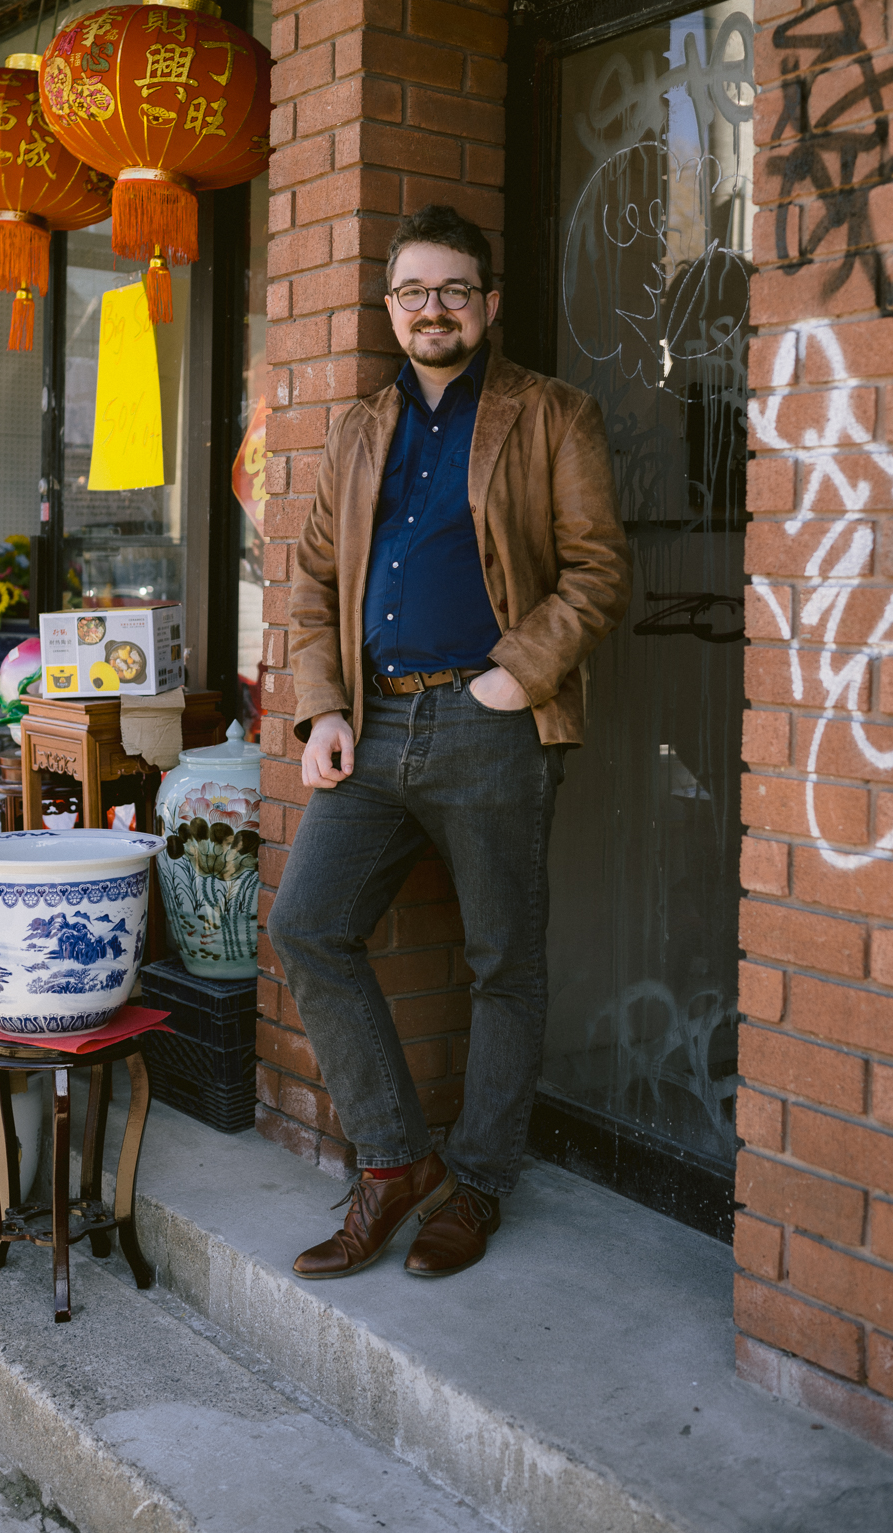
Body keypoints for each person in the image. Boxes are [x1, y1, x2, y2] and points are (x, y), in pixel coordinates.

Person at [268, 203, 631, 1281]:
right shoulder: (357, 427)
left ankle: (476, 1184)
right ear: (391, 307)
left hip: (490, 726)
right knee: (307, 925)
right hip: (372, 723)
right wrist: (322, 707)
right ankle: (392, 1165)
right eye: (414, 292)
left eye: (454, 291)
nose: (433, 309)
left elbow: (597, 568)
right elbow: (313, 585)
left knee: (501, 965)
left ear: (487, 305)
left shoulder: (551, 414)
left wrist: (513, 679)